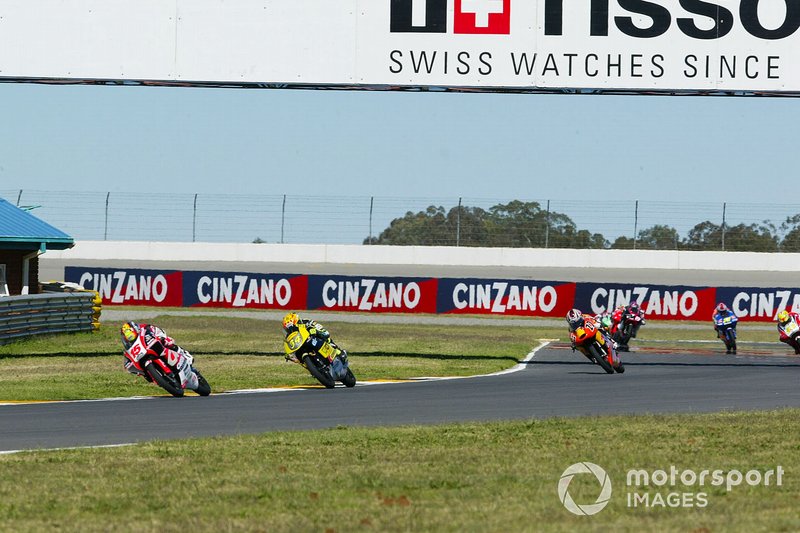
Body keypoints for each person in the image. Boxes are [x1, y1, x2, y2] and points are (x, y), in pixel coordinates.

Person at [120, 321, 199, 390]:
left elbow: (159, 331)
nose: (129, 337)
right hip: (144, 354)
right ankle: (159, 378)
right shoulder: (129, 346)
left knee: (168, 343)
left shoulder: (145, 328)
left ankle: (184, 355)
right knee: (144, 374)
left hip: (157, 344)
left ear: (135, 330)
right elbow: (127, 360)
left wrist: (160, 338)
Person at [281, 312, 347, 364]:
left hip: (313, 338)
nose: (291, 330)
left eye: (292, 327)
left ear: (296, 322)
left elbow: (318, 327)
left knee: (325, 335)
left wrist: (314, 330)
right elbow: (289, 346)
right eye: (288, 329)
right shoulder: (288, 336)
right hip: (301, 345)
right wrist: (289, 354)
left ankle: (339, 352)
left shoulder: (305, 322)